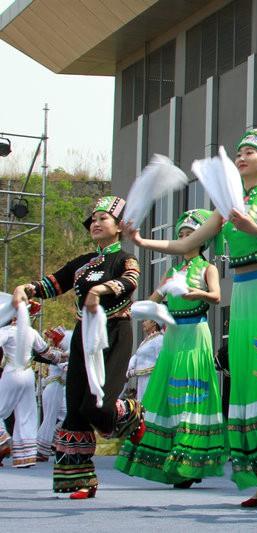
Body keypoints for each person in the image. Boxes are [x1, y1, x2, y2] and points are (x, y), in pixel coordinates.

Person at [124, 128, 257, 507]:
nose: (240, 157)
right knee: (248, 384)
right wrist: (141, 242)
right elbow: (188, 243)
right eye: (238, 152)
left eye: (249, 152)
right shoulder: (226, 206)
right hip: (245, 297)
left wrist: (249, 226)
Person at [13, 196, 143, 498]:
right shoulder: (82, 264)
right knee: (75, 411)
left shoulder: (124, 258)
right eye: (93, 220)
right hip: (84, 336)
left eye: (103, 219)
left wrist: (101, 288)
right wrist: (25, 288)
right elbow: (51, 284)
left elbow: (130, 282)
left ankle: (130, 411)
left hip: (113, 334)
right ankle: (82, 479)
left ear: (119, 227)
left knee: (99, 406)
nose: (96, 224)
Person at [116, 209, 228, 488]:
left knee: (191, 393)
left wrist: (197, 293)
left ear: (202, 240)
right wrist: (132, 309)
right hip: (173, 334)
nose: (185, 238)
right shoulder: (172, 272)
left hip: (195, 333)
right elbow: (153, 299)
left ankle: (190, 458)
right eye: (181, 235)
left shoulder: (207, 268)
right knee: (168, 393)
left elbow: (216, 296)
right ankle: (173, 456)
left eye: (190, 234)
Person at [0, 301, 49, 468]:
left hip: (12, 372)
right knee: (26, 414)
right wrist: (62, 357)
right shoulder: (31, 332)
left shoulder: (6, 331)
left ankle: (3, 439)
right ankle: (25, 456)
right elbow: (46, 352)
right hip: (28, 375)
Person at [36, 326, 71, 461]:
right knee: (49, 418)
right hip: (54, 388)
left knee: (66, 415)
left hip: (56, 389)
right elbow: (64, 364)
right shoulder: (57, 354)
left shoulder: (60, 352)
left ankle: (53, 439)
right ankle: (41, 448)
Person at [124, 320, 164, 401]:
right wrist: (128, 371)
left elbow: (161, 363)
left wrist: (136, 371)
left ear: (154, 323)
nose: (143, 323)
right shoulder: (145, 341)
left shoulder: (160, 339)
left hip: (152, 380)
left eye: (145, 320)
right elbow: (137, 357)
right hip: (142, 381)